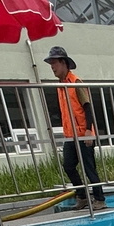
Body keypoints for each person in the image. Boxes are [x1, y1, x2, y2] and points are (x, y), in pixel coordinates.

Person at [44, 46, 107, 211]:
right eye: (51, 64)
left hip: (83, 133)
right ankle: (83, 196)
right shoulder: (60, 85)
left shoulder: (75, 82)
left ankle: (100, 199)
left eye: (55, 63)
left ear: (64, 63)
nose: (52, 67)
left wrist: (88, 131)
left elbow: (88, 108)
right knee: (68, 166)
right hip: (70, 135)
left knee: (89, 168)